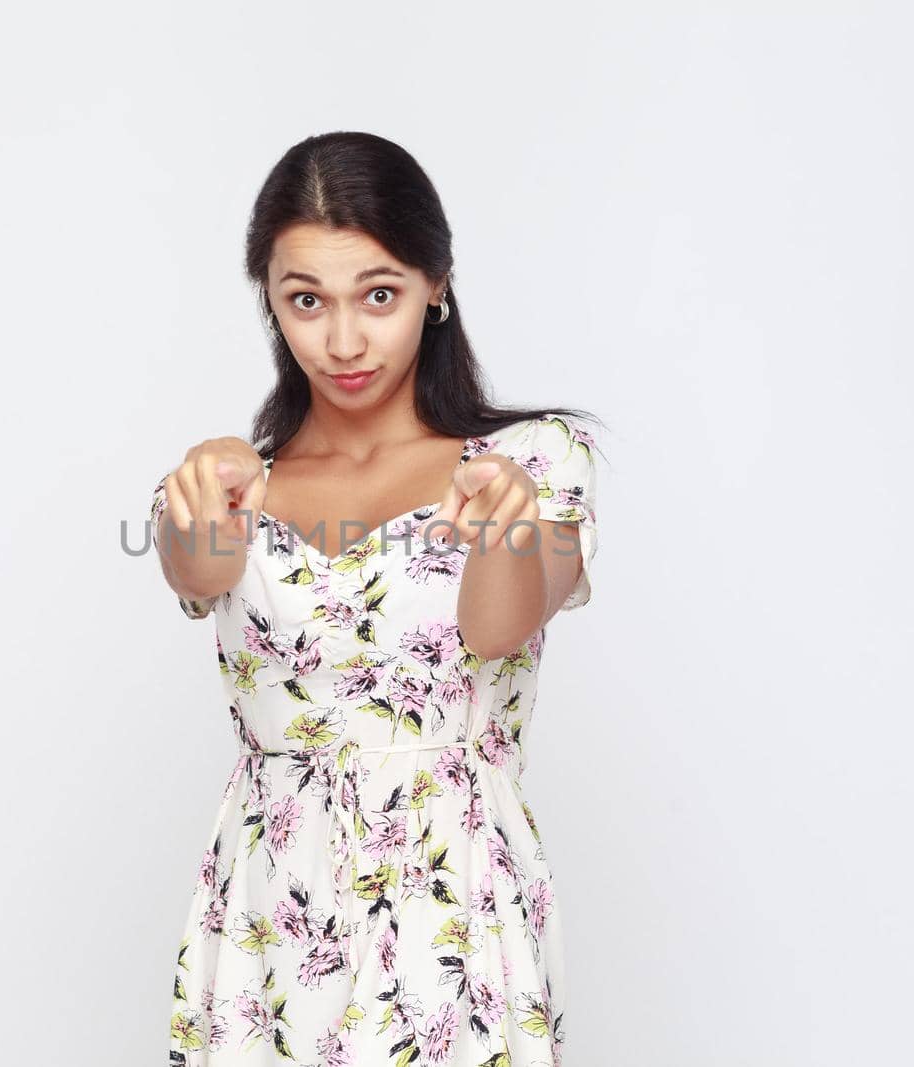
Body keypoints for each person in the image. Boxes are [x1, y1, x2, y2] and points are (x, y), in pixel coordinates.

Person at [150, 131, 602, 1066]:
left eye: (380, 295)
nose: (345, 341)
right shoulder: (235, 487)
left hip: (452, 912)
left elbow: (497, 626)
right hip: (270, 920)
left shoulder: (533, 462)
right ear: (271, 301)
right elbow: (193, 569)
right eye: (306, 300)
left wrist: (504, 523)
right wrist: (201, 499)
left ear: (437, 283)